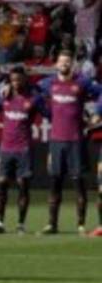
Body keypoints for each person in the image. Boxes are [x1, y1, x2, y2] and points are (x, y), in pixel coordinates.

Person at [32, 50, 102, 234]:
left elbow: (101, 92)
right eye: (61, 61)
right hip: (56, 141)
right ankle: (51, 224)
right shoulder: (48, 83)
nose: (64, 64)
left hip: (76, 140)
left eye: (67, 61)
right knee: (55, 182)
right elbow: (32, 92)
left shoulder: (82, 82)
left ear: (73, 64)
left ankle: (80, 225)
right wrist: (46, 111)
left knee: (79, 182)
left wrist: (97, 113)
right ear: (56, 64)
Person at [0, 65, 47, 234]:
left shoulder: (34, 98)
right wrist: (3, 89)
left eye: (18, 79)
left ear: (25, 79)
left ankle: (20, 224)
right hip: (5, 148)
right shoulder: (4, 96)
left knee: (23, 185)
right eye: (13, 79)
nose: (15, 82)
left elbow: (48, 112)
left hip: (24, 149)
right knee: (2, 184)